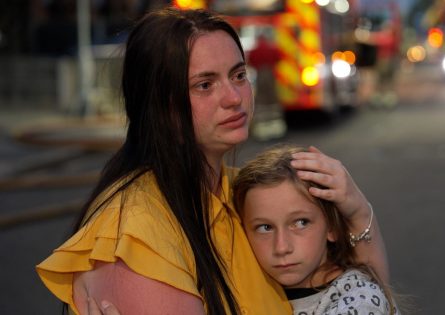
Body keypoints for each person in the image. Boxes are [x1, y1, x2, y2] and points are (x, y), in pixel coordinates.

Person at [36, 7, 389, 315]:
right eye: (205, 85)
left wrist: (357, 209)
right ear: (160, 104)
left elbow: (364, 298)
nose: (234, 98)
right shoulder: (136, 233)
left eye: (238, 75)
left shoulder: (239, 193)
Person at [233, 144, 398, 314]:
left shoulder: (360, 300)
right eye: (265, 227)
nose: (282, 247)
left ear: (332, 227)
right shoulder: (254, 289)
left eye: (301, 223)